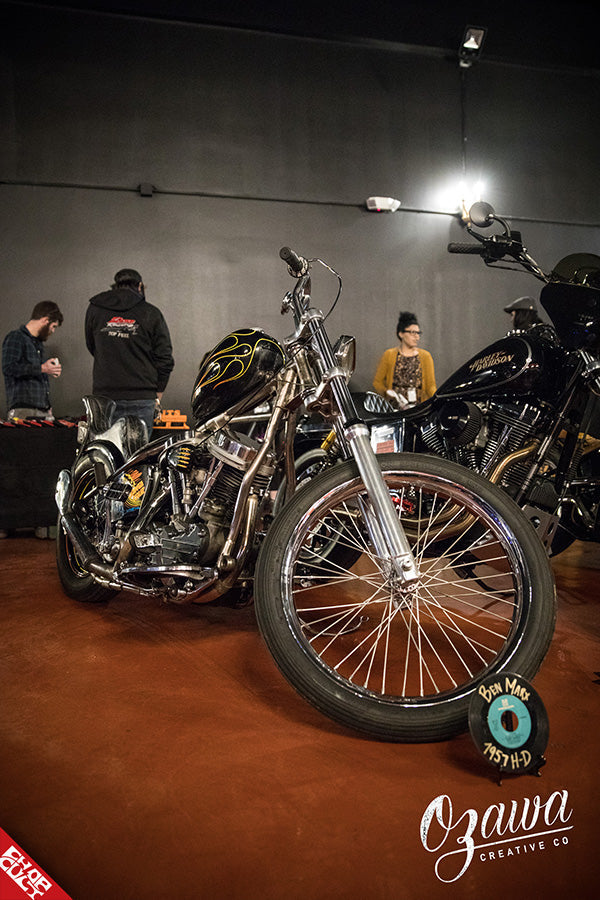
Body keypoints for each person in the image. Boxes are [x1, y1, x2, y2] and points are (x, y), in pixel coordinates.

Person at [85, 268, 174, 434]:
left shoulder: (95, 309)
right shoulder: (151, 313)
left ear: (115, 286)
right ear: (139, 286)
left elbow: (92, 346)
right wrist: (157, 394)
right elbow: (165, 358)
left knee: (107, 455)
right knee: (137, 457)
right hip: (142, 396)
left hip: (105, 396)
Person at [2, 300, 63, 420]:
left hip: (43, 411)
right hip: (22, 411)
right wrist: (42, 368)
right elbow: (8, 368)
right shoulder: (16, 337)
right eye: (53, 326)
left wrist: (46, 405)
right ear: (46, 320)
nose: (53, 331)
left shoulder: (38, 344)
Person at [373, 311, 436, 409]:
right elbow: (377, 382)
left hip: (419, 408)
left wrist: (436, 401)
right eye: (412, 332)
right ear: (401, 334)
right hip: (395, 408)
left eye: (418, 333)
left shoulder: (425, 356)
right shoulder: (389, 355)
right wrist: (387, 394)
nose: (416, 336)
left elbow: (431, 386)